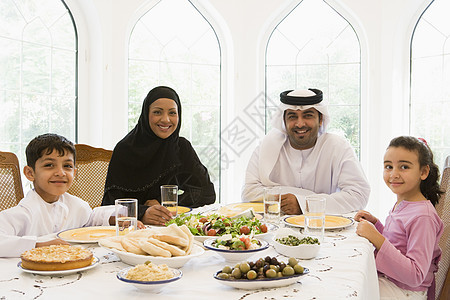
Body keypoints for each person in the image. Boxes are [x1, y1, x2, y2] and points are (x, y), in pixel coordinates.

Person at [242, 89, 370, 214]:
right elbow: (248, 193)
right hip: (274, 228)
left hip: (322, 228)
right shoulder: (266, 146)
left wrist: (304, 204)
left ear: (320, 119)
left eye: (308, 115)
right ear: (284, 121)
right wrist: (308, 197)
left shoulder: (337, 147)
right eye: (292, 117)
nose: (300, 124)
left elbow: (359, 194)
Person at [102, 86, 216, 225]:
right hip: (133, 231)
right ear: (146, 114)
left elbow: (207, 194)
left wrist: (165, 206)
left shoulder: (181, 147)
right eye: (157, 112)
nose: (166, 119)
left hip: (171, 227)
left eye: (172, 113)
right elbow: (109, 206)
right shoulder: (125, 149)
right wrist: (143, 212)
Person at [354, 136, 444, 300]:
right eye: (388, 166)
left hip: (405, 292)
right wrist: (377, 225)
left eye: (404, 167)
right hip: (392, 282)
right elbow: (399, 241)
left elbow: (415, 275)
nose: (394, 174)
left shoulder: (423, 216)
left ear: (423, 172)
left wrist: (375, 237)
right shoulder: (405, 204)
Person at [0, 133, 115, 257]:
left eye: (67, 166)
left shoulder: (76, 205)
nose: (61, 173)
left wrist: (112, 217)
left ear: (74, 172)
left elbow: (90, 219)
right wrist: (38, 246)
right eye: (49, 165)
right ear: (30, 173)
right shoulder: (23, 213)